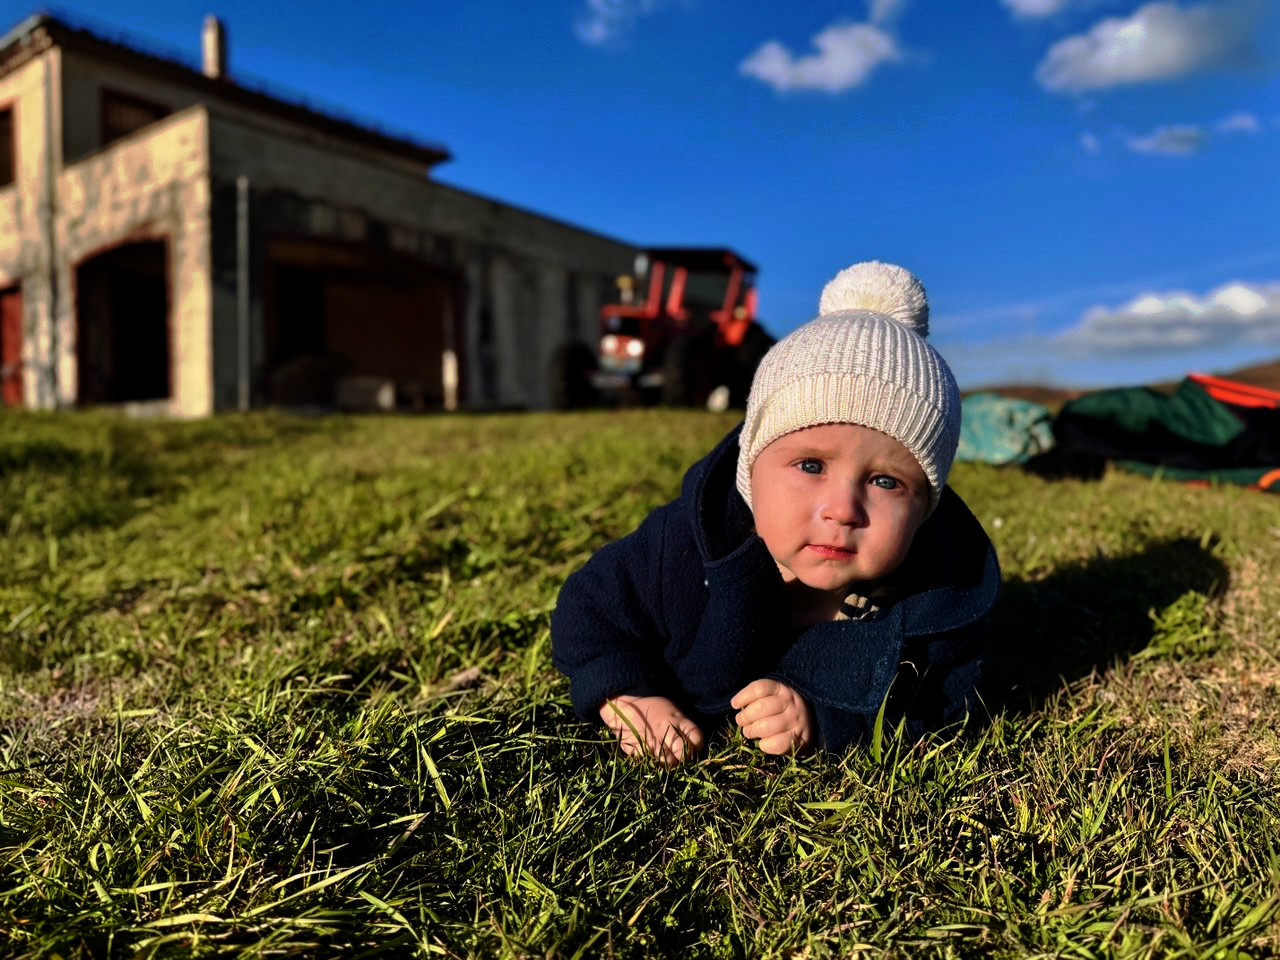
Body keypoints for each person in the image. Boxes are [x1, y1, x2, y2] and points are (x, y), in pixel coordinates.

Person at [551, 261, 1000, 765]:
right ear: (751, 469)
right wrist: (628, 696)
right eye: (811, 465)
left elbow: (942, 698)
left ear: (925, 508)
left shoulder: (935, 594)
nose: (842, 510)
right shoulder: (687, 543)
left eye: (886, 482)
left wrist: (824, 719)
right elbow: (591, 613)